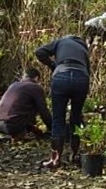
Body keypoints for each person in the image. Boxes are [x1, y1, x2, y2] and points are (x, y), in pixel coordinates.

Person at [35, 32, 91, 170]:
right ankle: (75, 155)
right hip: (81, 79)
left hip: (61, 77)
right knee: (76, 117)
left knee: (58, 119)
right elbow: (88, 71)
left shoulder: (61, 41)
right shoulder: (84, 49)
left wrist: (53, 65)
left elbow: (39, 52)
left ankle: (56, 158)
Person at [0, 67, 52, 144]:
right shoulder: (36, 88)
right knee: (32, 107)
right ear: (37, 78)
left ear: (23, 77)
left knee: (12, 108)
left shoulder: (13, 85)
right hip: (12, 126)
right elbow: (43, 111)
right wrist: (52, 127)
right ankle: (17, 135)